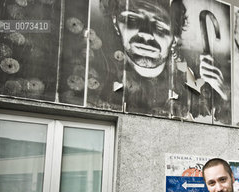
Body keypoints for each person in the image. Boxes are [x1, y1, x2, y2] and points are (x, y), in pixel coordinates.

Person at [95, 0, 230, 122]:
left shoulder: (198, 87)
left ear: (175, 38)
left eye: (159, 26)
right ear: (115, 22)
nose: (145, 33)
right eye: (132, 18)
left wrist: (225, 95)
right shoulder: (96, 74)